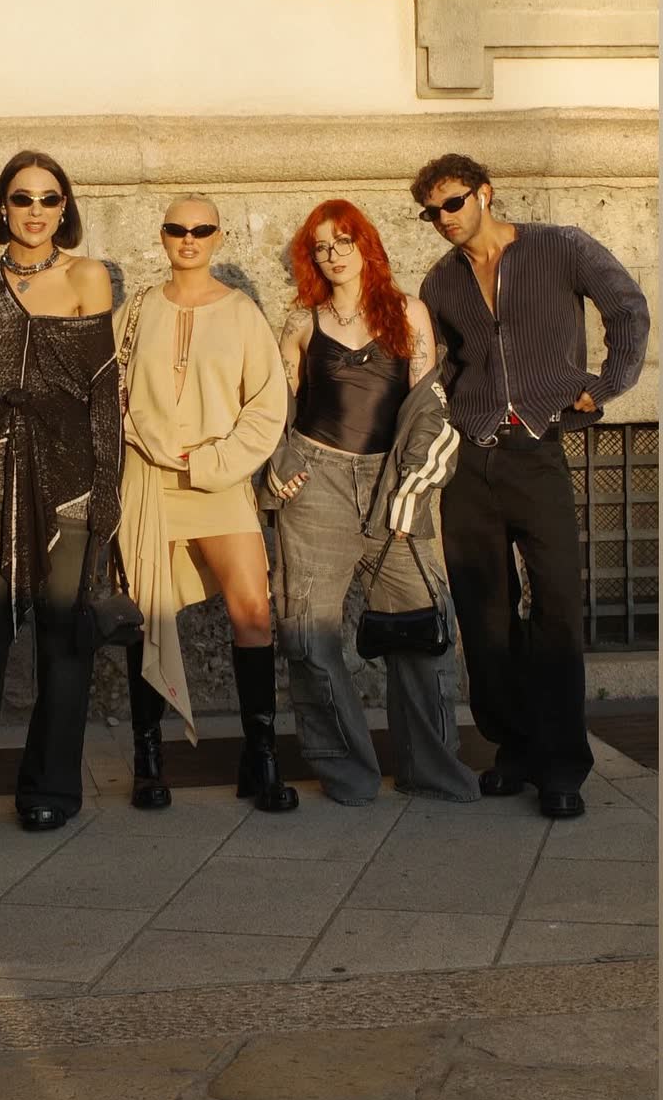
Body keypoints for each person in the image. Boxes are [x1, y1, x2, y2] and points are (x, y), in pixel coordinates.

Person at [411, 154, 650, 819]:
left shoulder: (559, 246)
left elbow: (626, 307)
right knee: (484, 615)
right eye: (431, 212)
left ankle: (562, 766)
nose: (443, 218)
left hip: (538, 451)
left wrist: (608, 384)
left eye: (453, 203)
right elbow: (439, 366)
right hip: (469, 460)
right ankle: (512, 749)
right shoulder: (441, 281)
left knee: (557, 609)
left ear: (485, 194)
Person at [0, 151, 122, 834]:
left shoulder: (88, 276)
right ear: (2, 206)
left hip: (70, 472)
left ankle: (51, 785)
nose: (35, 211)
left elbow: (104, 392)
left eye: (48, 198)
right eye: (21, 198)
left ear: (64, 208)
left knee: (63, 634)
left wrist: (107, 488)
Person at [270, 199, 479, 806]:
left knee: (422, 627)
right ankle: (349, 774)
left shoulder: (408, 313)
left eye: (344, 241)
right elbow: (277, 408)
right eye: (321, 247)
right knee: (309, 634)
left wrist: (414, 487)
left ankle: (430, 769)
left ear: (366, 245)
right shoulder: (301, 322)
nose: (333, 255)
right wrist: (279, 463)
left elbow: (429, 409)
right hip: (318, 486)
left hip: (392, 483)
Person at [116, 195, 298, 814]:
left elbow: (267, 406)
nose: (188, 238)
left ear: (219, 237)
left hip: (219, 484)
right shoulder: (136, 311)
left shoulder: (242, 312)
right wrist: (153, 446)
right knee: (148, 615)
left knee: (253, 612)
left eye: (201, 229)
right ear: (163, 235)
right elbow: (111, 394)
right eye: (177, 228)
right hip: (149, 481)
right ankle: (148, 760)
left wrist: (212, 461)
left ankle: (261, 757)